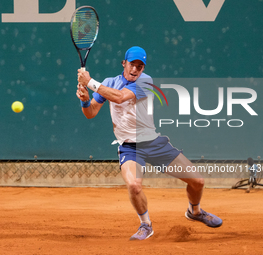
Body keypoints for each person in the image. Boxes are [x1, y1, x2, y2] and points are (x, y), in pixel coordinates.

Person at [76, 46, 222, 241]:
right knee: (134, 186)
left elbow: (119, 97)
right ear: (124, 64)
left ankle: (194, 211)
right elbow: (91, 113)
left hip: (154, 144)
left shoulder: (145, 81)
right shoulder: (110, 83)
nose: (135, 70)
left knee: (198, 182)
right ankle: (146, 225)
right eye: (132, 65)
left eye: (140, 66)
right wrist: (85, 101)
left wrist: (90, 82)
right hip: (129, 147)